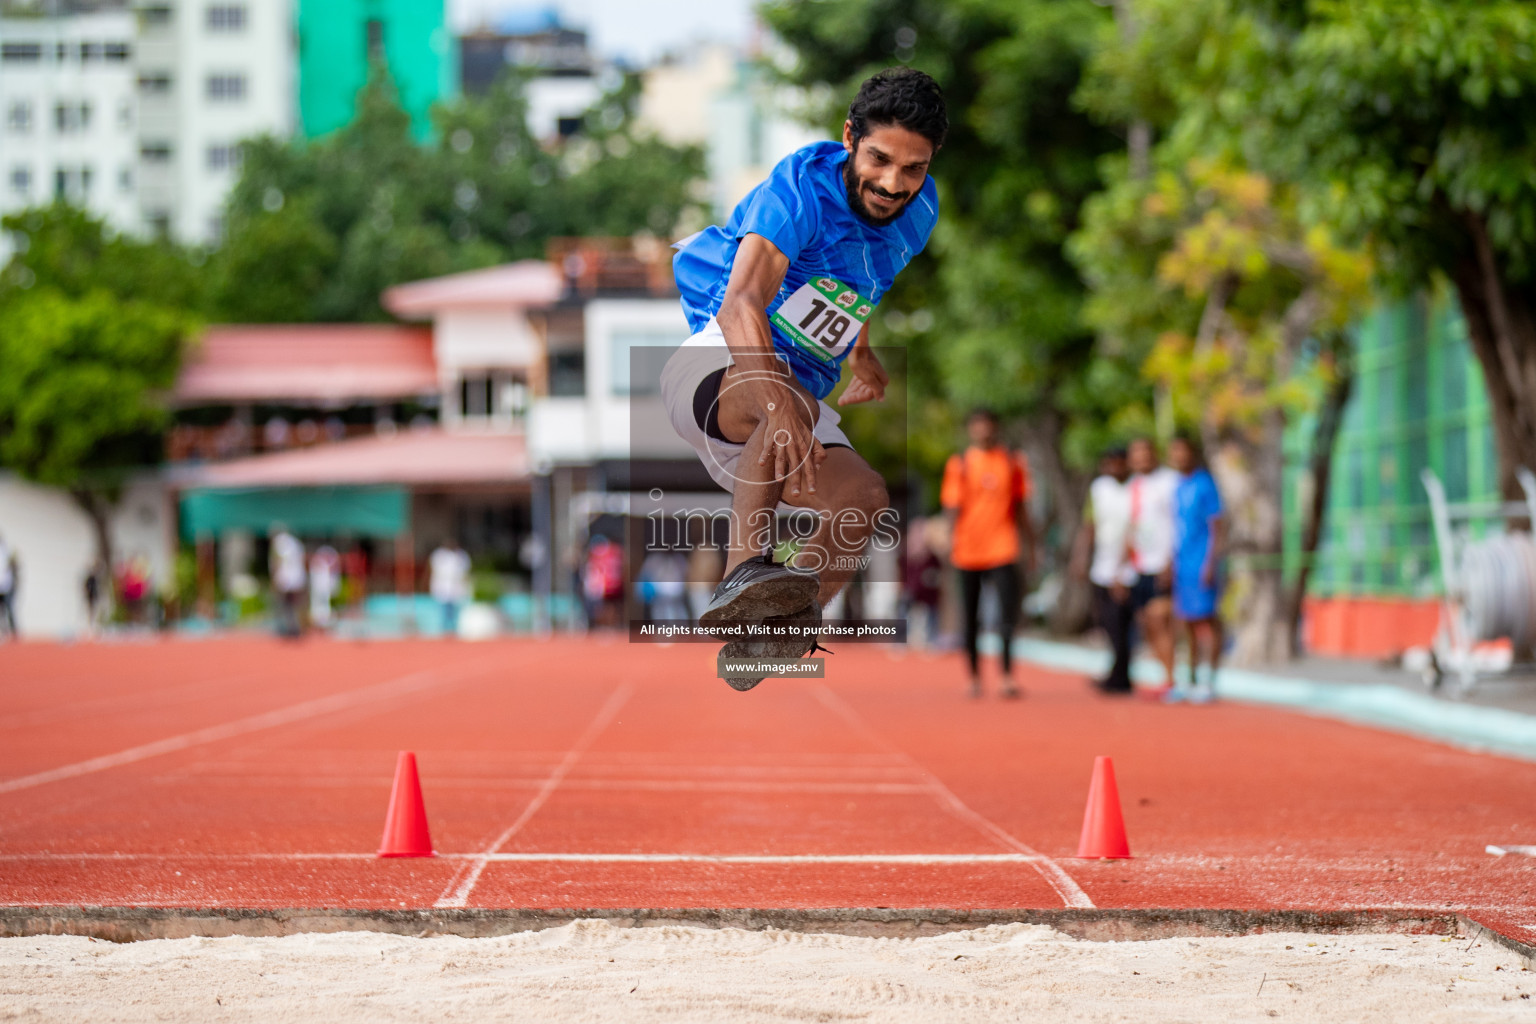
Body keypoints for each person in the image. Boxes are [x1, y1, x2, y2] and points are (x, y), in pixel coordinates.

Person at [663, 67, 948, 690]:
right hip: (720, 364)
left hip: (790, 394)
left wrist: (860, 351)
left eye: (913, 168)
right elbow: (741, 303)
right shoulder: (799, 192)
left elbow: (858, 283)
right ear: (850, 138)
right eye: (878, 160)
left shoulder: (919, 212)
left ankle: (770, 634)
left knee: (865, 500)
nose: (893, 184)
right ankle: (742, 579)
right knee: (782, 396)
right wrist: (776, 397)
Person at [940, 408, 1035, 699]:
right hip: (968, 550)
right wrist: (949, 543)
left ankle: (1006, 676)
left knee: (1007, 616)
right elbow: (951, 508)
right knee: (970, 618)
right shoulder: (961, 463)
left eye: (988, 426)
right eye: (978, 426)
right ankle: (974, 677)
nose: (983, 431)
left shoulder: (1012, 461)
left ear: (996, 428)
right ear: (971, 430)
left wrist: (1031, 546)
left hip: (1003, 547)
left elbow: (1021, 507)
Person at [1071, 448, 1137, 694]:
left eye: (1120, 463)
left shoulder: (1137, 488)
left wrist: (1122, 567)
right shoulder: (1099, 489)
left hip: (1131, 567)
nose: (1116, 469)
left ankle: (1121, 676)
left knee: (1124, 622)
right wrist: (1080, 558)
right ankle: (1118, 672)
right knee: (1109, 622)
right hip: (1103, 565)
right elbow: (1089, 526)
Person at [1167, 435, 1227, 703]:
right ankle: (1188, 679)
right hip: (1182, 564)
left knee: (1208, 620)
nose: (1178, 456)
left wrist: (1211, 562)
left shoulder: (1205, 484)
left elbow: (1217, 525)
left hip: (1202, 563)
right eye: (1174, 451)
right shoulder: (1178, 486)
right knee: (1186, 622)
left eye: (1182, 450)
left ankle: (1209, 680)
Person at [1125, 437, 1181, 696]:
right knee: (1146, 622)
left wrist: (1171, 559)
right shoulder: (1132, 486)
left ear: (1154, 454)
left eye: (1145, 453)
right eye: (1135, 455)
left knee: (1161, 619)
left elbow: (1178, 523)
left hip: (1163, 563)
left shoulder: (1169, 482)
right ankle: (1165, 675)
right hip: (1140, 565)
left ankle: (1172, 679)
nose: (1141, 460)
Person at [428, 539, 472, 637]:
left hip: (456, 588)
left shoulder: (461, 555)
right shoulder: (439, 555)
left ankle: (454, 631)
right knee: (443, 611)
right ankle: (444, 631)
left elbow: (464, 572)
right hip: (443, 587)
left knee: (455, 612)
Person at [269, 525, 306, 638]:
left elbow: (277, 560)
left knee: (284, 604)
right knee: (295, 604)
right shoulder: (296, 543)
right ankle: (295, 627)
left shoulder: (279, 542)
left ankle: (288, 628)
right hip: (297, 577)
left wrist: (275, 576)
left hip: (285, 577)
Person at [309, 543, 341, 629]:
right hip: (319, 587)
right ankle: (319, 624)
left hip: (325, 586)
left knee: (325, 606)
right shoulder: (317, 566)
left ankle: (324, 623)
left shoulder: (328, 565)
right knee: (317, 606)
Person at [0, 533, 16, 640]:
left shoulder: (6, 551)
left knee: (9, 608)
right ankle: (4, 631)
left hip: (7, 586)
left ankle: (14, 632)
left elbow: (13, 563)